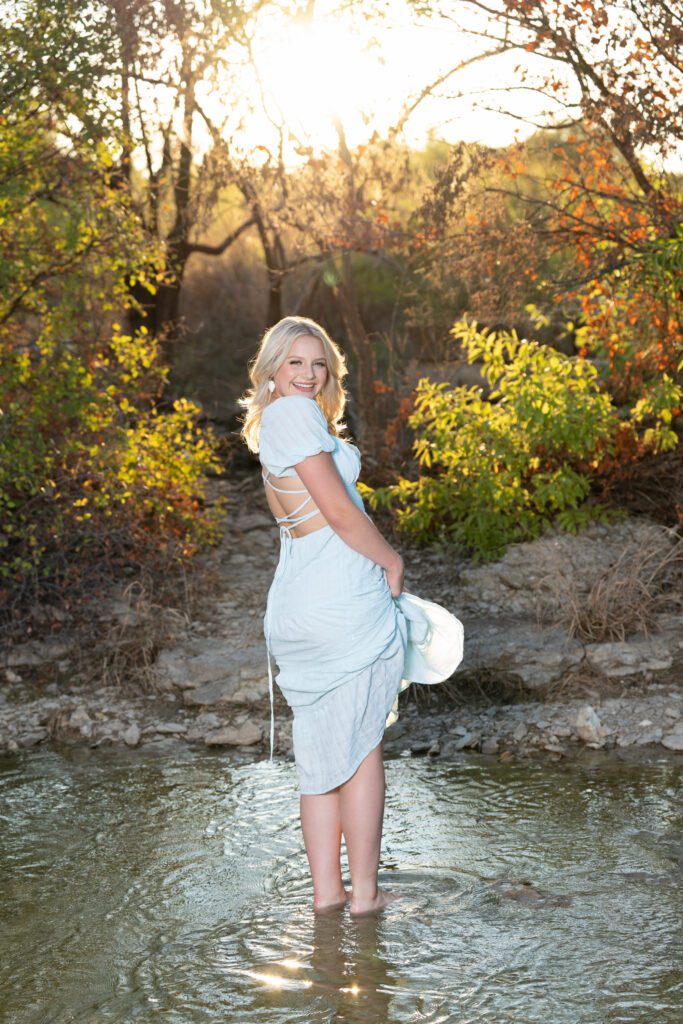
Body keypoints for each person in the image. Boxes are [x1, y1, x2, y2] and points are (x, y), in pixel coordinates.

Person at [239, 315, 408, 917]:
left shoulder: (276, 425)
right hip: (338, 600)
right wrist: (391, 560)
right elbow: (338, 512)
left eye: (319, 364)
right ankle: (364, 898)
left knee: (319, 760)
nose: (309, 375)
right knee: (361, 751)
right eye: (296, 363)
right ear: (273, 370)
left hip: (303, 599)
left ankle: (328, 900)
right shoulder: (293, 416)